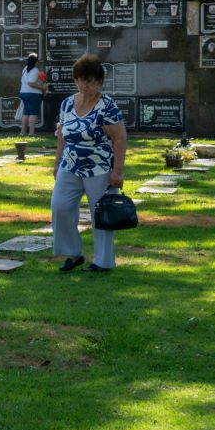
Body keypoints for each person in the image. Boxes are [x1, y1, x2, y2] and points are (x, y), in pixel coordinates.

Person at [51, 54, 127, 273]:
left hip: (100, 167)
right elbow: (62, 136)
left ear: (99, 82)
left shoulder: (107, 106)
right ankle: (72, 254)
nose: (85, 85)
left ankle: (103, 261)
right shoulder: (67, 104)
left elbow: (119, 138)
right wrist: (57, 163)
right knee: (60, 206)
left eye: (91, 81)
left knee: (100, 212)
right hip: (70, 165)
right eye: (81, 80)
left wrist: (118, 172)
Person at [19, 52, 46, 136]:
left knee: (26, 113)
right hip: (33, 94)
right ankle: (31, 133)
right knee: (33, 113)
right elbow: (31, 83)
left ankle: (22, 132)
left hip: (23, 93)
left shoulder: (25, 68)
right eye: (37, 61)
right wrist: (43, 88)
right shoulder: (34, 70)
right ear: (36, 61)